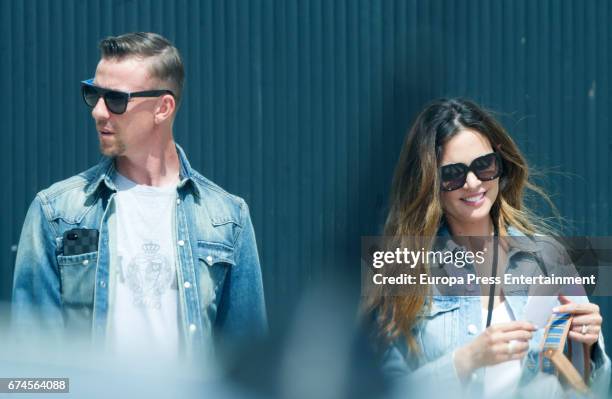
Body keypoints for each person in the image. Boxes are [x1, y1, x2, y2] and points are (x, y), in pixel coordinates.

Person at [11, 32, 267, 359]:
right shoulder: (58, 213)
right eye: (93, 94)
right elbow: (32, 364)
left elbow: (246, 358)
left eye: (116, 99)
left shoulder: (226, 218)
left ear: (163, 107)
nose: (99, 112)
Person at [364, 98, 610, 398]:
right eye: (452, 174)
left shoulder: (548, 256)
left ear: (500, 164)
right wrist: (467, 360)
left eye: (483, 165)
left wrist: (586, 347)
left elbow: (587, 391)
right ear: (429, 182)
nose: (472, 183)